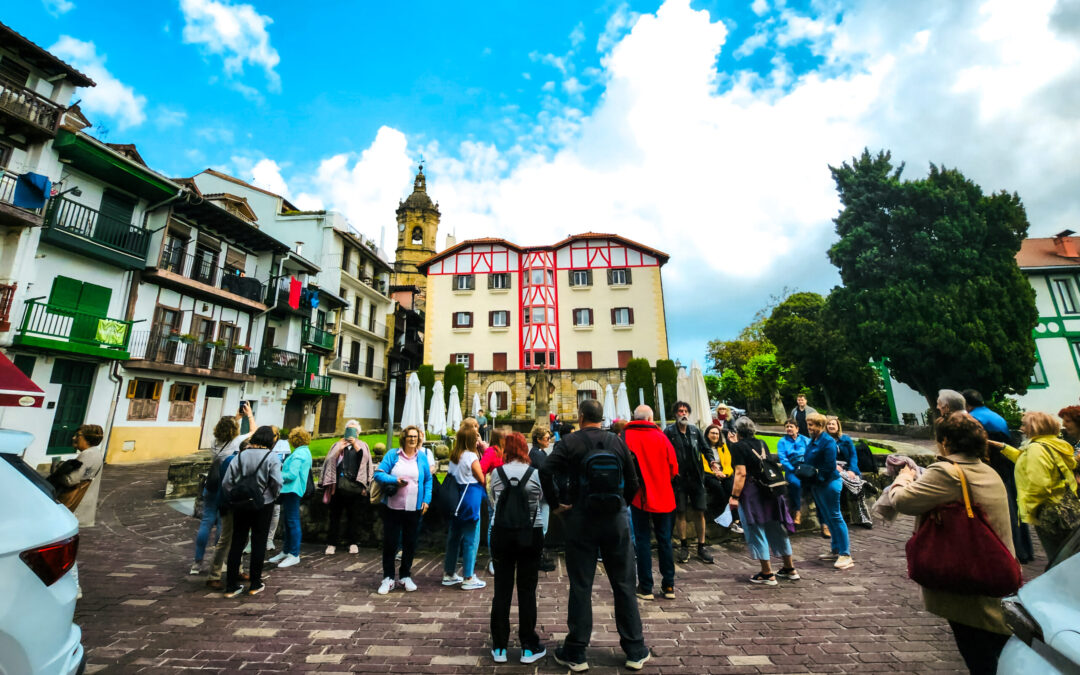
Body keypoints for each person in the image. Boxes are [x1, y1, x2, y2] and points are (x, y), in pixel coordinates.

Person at [890, 412, 1015, 675]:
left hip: (967, 573)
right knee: (997, 646)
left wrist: (903, 478)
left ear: (945, 441)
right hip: (996, 566)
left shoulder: (947, 472)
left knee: (979, 652)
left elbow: (903, 501)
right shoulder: (986, 469)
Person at [539, 399, 650, 672]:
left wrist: (555, 504)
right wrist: (620, 504)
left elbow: (544, 469)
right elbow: (635, 481)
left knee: (581, 585)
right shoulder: (617, 442)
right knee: (624, 583)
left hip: (581, 518)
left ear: (580, 416)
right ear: (602, 417)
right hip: (615, 520)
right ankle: (634, 649)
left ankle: (576, 651)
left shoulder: (569, 442)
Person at [989, 411, 1079, 566]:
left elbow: (1039, 485)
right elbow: (1025, 460)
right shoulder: (1052, 443)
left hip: (1050, 514)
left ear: (1034, 427)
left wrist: (1031, 509)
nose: (1021, 428)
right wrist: (1004, 448)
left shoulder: (1035, 449)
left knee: (1058, 561)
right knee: (1071, 555)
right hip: (1068, 506)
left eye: (1024, 424)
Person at [489, 432, 547, 665]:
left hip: (501, 533)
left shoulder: (496, 473)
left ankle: (500, 647)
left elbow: (494, 499)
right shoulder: (534, 474)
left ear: (506, 449)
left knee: (501, 591)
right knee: (527, 590)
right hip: (530, 532)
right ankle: (528, 646)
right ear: (524, 449)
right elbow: (542, 499)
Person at [964, 389, 1034, 563]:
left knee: (1005, 507)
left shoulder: (975, 419)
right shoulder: (993, 415)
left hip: (995, 465)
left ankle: (1011, 550)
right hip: (1007, 463)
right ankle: (1023, 549)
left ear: (967, 404)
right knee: (1013, 505)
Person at [728, 417, 799, 585]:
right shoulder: (762, 443)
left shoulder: (738, 447)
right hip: (771, 490)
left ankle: (767, 572)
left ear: (737, 432)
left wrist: (734, 496)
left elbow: (741, 473)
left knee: (756, 528)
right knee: (776, 527)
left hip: (752, 492)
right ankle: (789, 568)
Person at [221, 426, 283, 597]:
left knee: (237, 542)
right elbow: (277, 482)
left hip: (240, 503)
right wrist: (272, 495)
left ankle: (231, 585)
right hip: (264, 503)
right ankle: (255, 583)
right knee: (259, 541)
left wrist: (234, 496)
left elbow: (227, 482)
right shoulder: (272, 457)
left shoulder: (240, 456)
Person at [624, 405, 678, 601]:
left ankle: (646, 586)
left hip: (639, 496)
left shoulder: (626, 437)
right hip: (663, 495)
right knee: (665, 541)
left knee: (642, 541)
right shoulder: (661, 437)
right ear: (650, 418)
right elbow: (674, 467)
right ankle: (669, 585)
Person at [200, 403, 256, 587]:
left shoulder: (215, 442)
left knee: (228, 534)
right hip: (232, 491)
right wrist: (249, 415)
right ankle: (214, 574)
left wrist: (235, 417)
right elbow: (254, 433)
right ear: (234, 430)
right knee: (228, 537)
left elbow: (227, 429)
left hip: (218, 487)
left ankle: (232, 569)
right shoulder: (235, 443)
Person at [373, 425, 433, 594]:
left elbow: (428, 480)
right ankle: (388, 577)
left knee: (410, 543)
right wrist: (394, 480)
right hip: (393, 506)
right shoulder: (393, 455)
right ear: (404, 438)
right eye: (410, 437)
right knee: (390, 543)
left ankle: (405, 575)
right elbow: (378, 474)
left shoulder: (421, 457)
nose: (413, 439)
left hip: (414, 507)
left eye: (415, 437)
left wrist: (426, 500)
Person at [664, 401, 715, 564]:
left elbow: (706, 448)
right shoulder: (669, 432)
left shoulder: (695, 431)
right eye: (680, 411)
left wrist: (712, 461)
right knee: (681, 512)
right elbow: (664, 452)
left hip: (696, 477)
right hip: (678, 479)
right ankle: (684, 546)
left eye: (686, 411)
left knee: (700, 511)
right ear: (675, 414)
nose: (683, 413)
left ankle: (701, 546)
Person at [805, 413, 853, 569]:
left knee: (835, 516)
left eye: (811, 424)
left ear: (819, 425)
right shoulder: (814, 440)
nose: (809, 427)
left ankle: (845, 554)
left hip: (829, 483)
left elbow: (829, 465)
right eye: (808, 424)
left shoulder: (828, 442)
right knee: (827, 516)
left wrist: (818, 478)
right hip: (817, 484)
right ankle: (835, 549)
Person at [443, 426, 486, 590]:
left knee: (454, 537)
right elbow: (481, 478)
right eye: (475, 437)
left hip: (456, 498)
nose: (477, 440)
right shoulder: (470, 457)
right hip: (470, 497)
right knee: (470, 538)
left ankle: (449, 573)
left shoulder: (455, 455)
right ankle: (468, 576)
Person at [322, 424, 373, 555]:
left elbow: (366, 462)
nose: (350, 432)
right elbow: (329, 460)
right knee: (334, 516)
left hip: (355, 487)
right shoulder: (337, 444)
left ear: (358, 433)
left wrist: (355, 445)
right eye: (348, 429)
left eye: (353, 430)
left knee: (354, 517)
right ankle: (332, 543)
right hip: (337, 487)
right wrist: (339, 449)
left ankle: (353, 543)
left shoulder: (362, 445)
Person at [268, 428, 312, 569]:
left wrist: (276, 475)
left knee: (292, 521)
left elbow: (292, 474)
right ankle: (287, 551)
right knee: (288, 521)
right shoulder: (304, 451)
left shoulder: (299, 453)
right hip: (292, 491)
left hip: (292, 490)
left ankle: (294, 554)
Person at [826, 417, 873, 528]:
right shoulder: (824, 440)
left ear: (838, 426)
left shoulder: (846, 439)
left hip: (847, 468)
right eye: (829, 424)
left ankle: (864, 519)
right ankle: (861, 483)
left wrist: (852, 469)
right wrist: (834, 466)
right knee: (853, 484)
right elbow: (824, 457)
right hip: (833, 468)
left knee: (857, 490)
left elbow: (853, 456)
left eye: (833, 424)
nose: (831, 426)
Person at [48, 423, 105, 511]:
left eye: (78, 435)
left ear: (88, 439)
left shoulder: (87, 454)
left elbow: (70, 480)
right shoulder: (96, 452)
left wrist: (56, 470)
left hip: (70, 496)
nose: (73, 438)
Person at [702, 423, 741, 532]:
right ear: (707, 434)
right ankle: (725, 517)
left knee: (731, 488)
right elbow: (704, 465)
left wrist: (725, 474)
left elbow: (728, 463)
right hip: (709, 474)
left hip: (724, 473)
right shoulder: (703, 448)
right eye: (712, 433)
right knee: (718, 489)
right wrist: (716, 473)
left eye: (717, 434)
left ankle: (736, 519)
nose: (715, 435)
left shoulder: (723, 447)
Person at [529, 425, 557, 572]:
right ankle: (537, 557)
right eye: (546, 438)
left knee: (541, 527)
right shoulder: (537, 454)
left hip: (541, 494)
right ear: (538, 439)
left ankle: (537, 555)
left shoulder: (538, 452)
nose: (549, 440)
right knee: (541, 527)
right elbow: (546, 473)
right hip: (541, 495)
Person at [263, 426, 291, 553]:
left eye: (274, 435)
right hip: (262, 481)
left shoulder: (283, 445)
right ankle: (252, 541)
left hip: (276, 480)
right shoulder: (261, 445)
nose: (272, 438)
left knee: (275, 510)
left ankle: (269, 539)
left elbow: (286, 461)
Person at [777, 420, 809, 526]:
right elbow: (783, 459)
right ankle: (797, 512)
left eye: (791, 426)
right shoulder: (782, 442)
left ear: (797, 428)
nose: (789, 428)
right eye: (787, 427)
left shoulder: (805, 439)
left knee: (819, 482)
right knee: (795, 484)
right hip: (792, 469)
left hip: (805, 468)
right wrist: (792, 469)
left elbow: (812, 452)